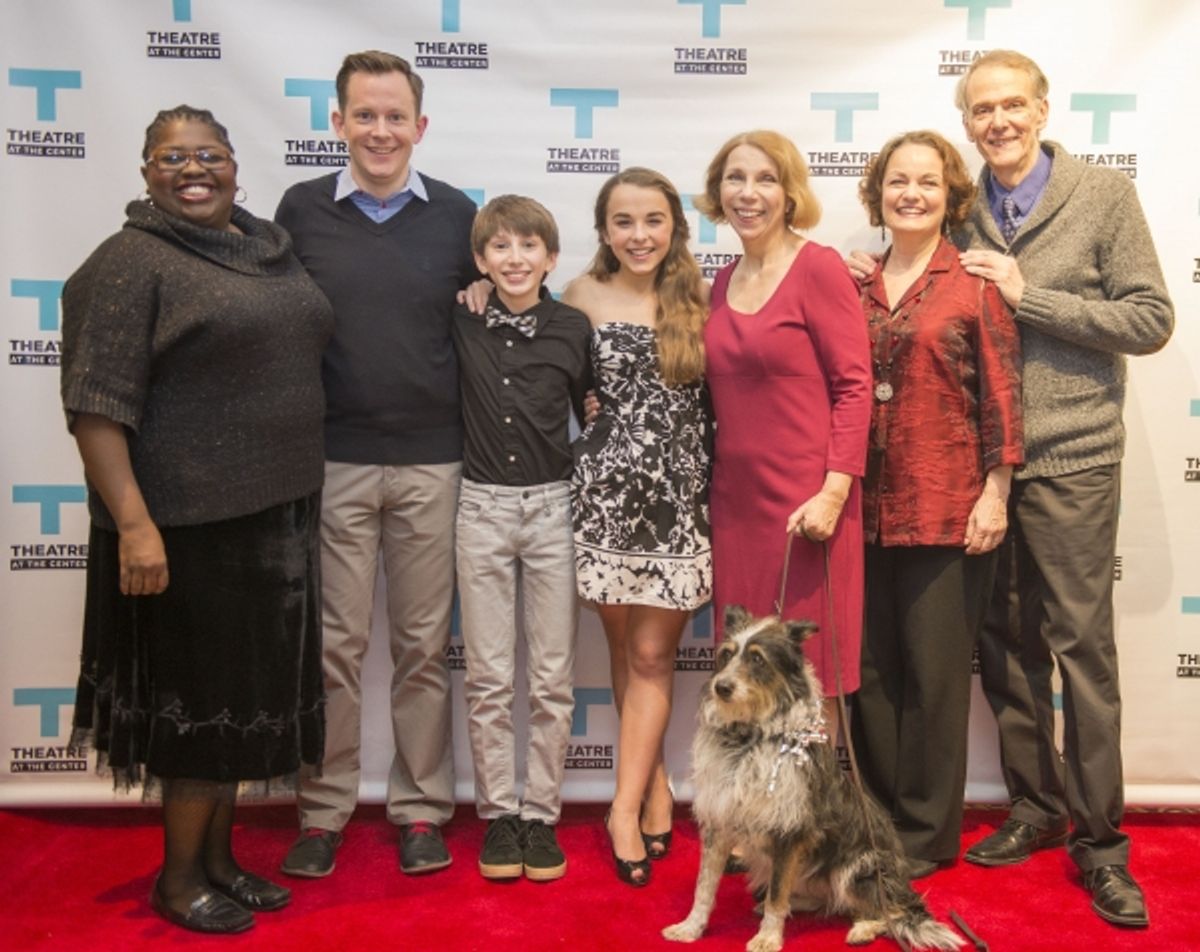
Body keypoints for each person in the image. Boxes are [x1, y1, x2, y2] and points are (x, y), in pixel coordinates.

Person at [848, 50, 1173, 927]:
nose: (998, 121)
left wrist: (1034, 296)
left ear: (1041, 108)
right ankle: (1035, 806)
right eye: (981, 108)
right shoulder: (962, 207)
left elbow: (1150, 320)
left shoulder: (1101, 196)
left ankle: (1102, 846)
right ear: (967, 123)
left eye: (1012, 105)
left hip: (1068, 455)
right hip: (974, 471)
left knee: (1079, 648)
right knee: (1005, 647)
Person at [60, 105, 333, 934]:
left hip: (272, 518)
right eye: (172, 157)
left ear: (233, 166)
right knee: (198, 709)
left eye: (208, 155)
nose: (192, 170)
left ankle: (218, 860)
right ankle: (178, 881)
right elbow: (94, 412)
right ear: (145, 171)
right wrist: (135, 528)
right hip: (184, 530)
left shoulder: (263, 249)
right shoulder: (129, 262)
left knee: (238, 708)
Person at [275, 50, 477, 879]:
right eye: (365, 115)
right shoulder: (301, 210)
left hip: (435, 463)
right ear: (338, 123)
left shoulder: (460, 216)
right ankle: (323, 810)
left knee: (426, 646)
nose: (381, 130)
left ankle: (422, 808)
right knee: (335, 647)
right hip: (334, 462)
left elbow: (504, 308)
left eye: (396, 117)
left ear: (420, 127)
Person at [849, 130, 1023, 881]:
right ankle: (878, 822)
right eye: (897, 181)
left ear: (950, 195)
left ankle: (924, 838)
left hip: (948, 509)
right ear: (877, 193)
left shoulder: (974, 282)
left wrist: (996, 492)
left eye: (925, 182)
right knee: (871, 675)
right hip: (861, 512)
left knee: (936, 678)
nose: (910, 194)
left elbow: (1003, 399)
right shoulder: (851, 283)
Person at [697, 130, 871, 731]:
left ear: (790, 192)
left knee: (808, 683)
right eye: (735, 178)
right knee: (743, 683)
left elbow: (855, 386)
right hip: (736, 510)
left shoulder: (818, 268)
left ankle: (811, 822)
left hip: (808, 507)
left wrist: (834, 491)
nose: (748, 193)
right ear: (718, 192)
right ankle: (756, 818)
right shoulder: (720, 282)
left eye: (765, 179)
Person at [566, 167, 712, 887]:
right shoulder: (580, 296)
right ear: (603, 230)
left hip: (679, 504)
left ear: (675, 228)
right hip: (602, 499)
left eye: (653, 220)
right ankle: (651, 787)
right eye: (623, 222)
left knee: (654, 655)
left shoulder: (704, 298)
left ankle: (620, 812)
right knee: (624, 648)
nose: (639, 235)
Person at [451, 195, 592, 882]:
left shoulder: (573, 327)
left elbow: (590, 409)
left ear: (551, 257)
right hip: (479, 508)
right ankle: (498, 815)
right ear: (480, 260)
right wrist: (470, 292)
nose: (514, 259)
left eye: (528, 246)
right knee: (487, 676)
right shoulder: (462, 315)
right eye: (499, 248)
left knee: (550, 677)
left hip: (553, 509)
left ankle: (541, 815)